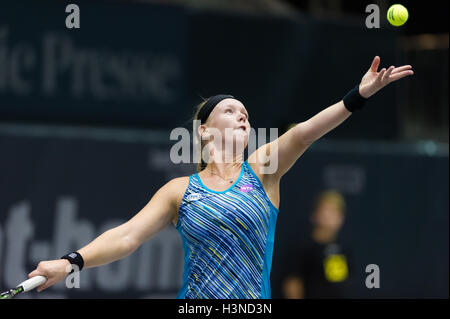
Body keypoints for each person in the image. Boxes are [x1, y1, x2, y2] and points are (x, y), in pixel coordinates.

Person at [29, 57, 413, 298]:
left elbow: (305, 132)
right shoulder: (180, 191)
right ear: (205, 131)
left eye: (245, 112)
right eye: (230, 111)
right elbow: (127, 236)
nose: (242, 115)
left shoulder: (262, 171)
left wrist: (356, 97)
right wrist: (71, 262)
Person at [282, 190, 353, 299]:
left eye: (335, 212)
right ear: (315, 214)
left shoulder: (342, 249)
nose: (330, 216)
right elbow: (292, 283)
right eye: (327, 210)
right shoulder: (303, 248)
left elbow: (340, 284)